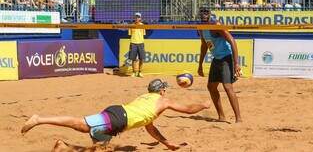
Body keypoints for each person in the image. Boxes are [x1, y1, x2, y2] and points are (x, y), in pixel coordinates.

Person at [21, 79, 211, 151]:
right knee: (100, 148)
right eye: (164, 90)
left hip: (116, 111)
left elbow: (150, 127)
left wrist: (166, 143)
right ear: (161, 91)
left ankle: (44, 123)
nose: (165, 92)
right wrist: (203, 105)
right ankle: (63, 145)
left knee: (81, 126)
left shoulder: (144, 98)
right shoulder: (163, 101)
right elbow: (187, 109)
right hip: (120, 120)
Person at [197, 6, 242, 123]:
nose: (204, 15)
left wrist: (236, 63)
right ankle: (221, 116)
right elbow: (204, 45)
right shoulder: (201, 28)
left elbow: (232, 41)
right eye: (202, 13)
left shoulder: (216, 25)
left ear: (210, 14)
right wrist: (200, 65)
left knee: (227, 87)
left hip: (227, 57)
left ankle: (239, 119)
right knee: (211, 87)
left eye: (206, 12)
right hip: (217, 58)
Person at [128, 12, 146, 77]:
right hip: (133, 43)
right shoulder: (131, 25)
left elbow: (143, 34)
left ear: (140, 18)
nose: (137, 18)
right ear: (134, 18)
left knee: (142, 58)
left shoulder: (142, 25)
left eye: (138, 17)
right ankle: (134, 72)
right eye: (136, 17)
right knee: (133, 59)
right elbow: (130, 35)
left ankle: (139, 72)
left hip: (141, 43)